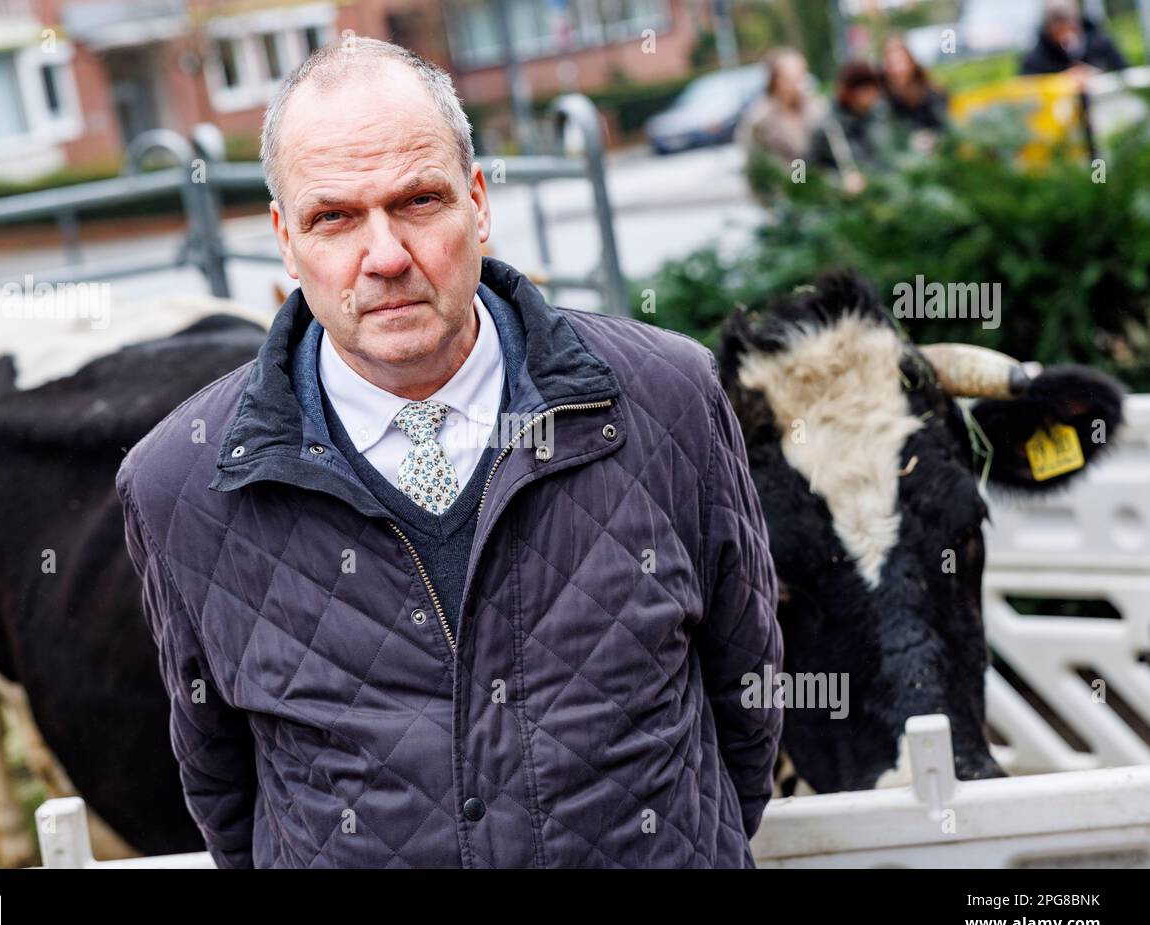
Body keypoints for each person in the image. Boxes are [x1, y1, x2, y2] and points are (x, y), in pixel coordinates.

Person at [116, 37, 783, 869]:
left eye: (420, 201)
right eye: (335, 217)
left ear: (478, 201)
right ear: (286, 243)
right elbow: (222, 790)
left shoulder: (669, 397)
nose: (387, 255)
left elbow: (746, 705)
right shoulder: (179, 479)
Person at [737, 47, 828, 169]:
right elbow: (753, 158)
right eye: (790, 79)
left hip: (815, 180)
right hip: (782, 182)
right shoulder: (760, 117)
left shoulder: (817, 107)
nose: (797, 85)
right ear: (775, 81)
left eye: (800, 76)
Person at [809, 60, 891, 193]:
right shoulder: (829, 128)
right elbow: (801, 170)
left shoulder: (877, 118)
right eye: (866, 89)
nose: (873, 94)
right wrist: (837, 182)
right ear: (851, 92)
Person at [1021, 0, 1128, 77]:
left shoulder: (1100, 43)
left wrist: (1096, 74)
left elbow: (1124, 72)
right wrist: (1062, 81)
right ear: (1048, 31)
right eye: (1058, 32)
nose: (1065, 36)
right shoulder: (1036, 58)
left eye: (1070, 29)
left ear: (1078, 23)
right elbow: (1027, 88)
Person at [881, 35, 947, 152]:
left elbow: (942, 124)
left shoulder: (930, 91)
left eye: (901, 62)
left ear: (911, 62)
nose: (898, 68)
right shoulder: (885, 97)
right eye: (893, 64)